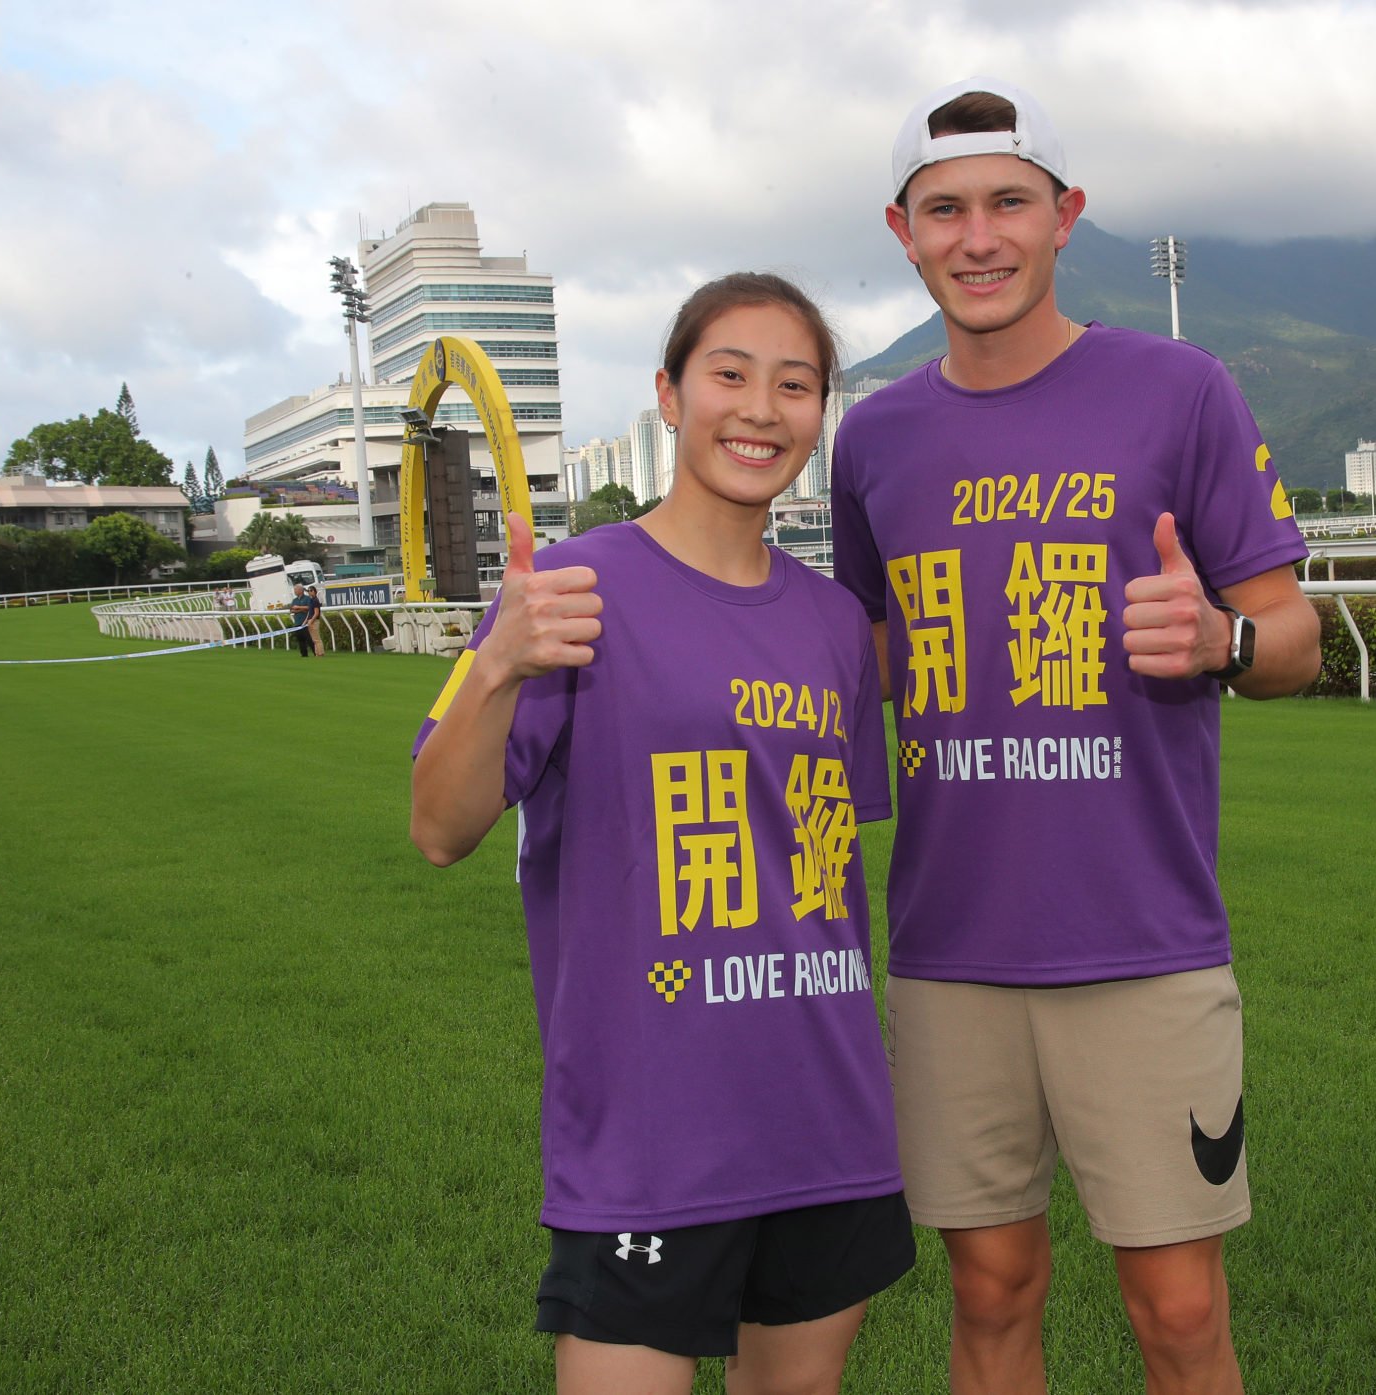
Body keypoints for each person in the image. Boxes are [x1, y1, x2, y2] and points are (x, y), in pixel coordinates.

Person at [830, 79, 1322, 1395]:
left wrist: (1219, 639)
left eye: (1008, 202)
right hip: (950, 947)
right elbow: (863, 654)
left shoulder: (1179, 389)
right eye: (946, 210)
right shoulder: (871, 435)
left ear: (1066, 217)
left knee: (1176, 1309)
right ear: (903, 230)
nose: (977, 235)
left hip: (1143, 937)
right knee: (989, 1292)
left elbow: (1296, 635)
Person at [411, 273, 913, 1394]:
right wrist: (498, 662)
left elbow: (821, 872)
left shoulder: (836, 625)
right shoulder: (574, 590)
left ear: (818, 417)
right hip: (648, 1133)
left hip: (826, 1117)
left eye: (794, 386)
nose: (759, 409)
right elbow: (439, 827)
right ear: (670, 395)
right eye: (727, 374)